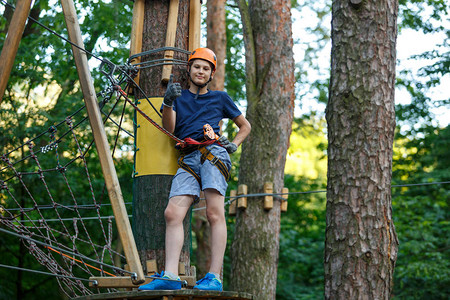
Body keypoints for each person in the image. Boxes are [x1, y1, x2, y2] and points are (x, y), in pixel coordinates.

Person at [138, 48, 251, 291]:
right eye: (197, 67)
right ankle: (170, 276)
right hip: (189, 157)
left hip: (213, 153)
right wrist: (168, 102)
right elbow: (170, 129)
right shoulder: (178, 97)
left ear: (211, 74)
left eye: (206, 68)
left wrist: (234, 143)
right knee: (172, 213)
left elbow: (244, 125)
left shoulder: (220, 98)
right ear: (188, 70)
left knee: (213, 213)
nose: (201, 71)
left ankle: (214, 277)